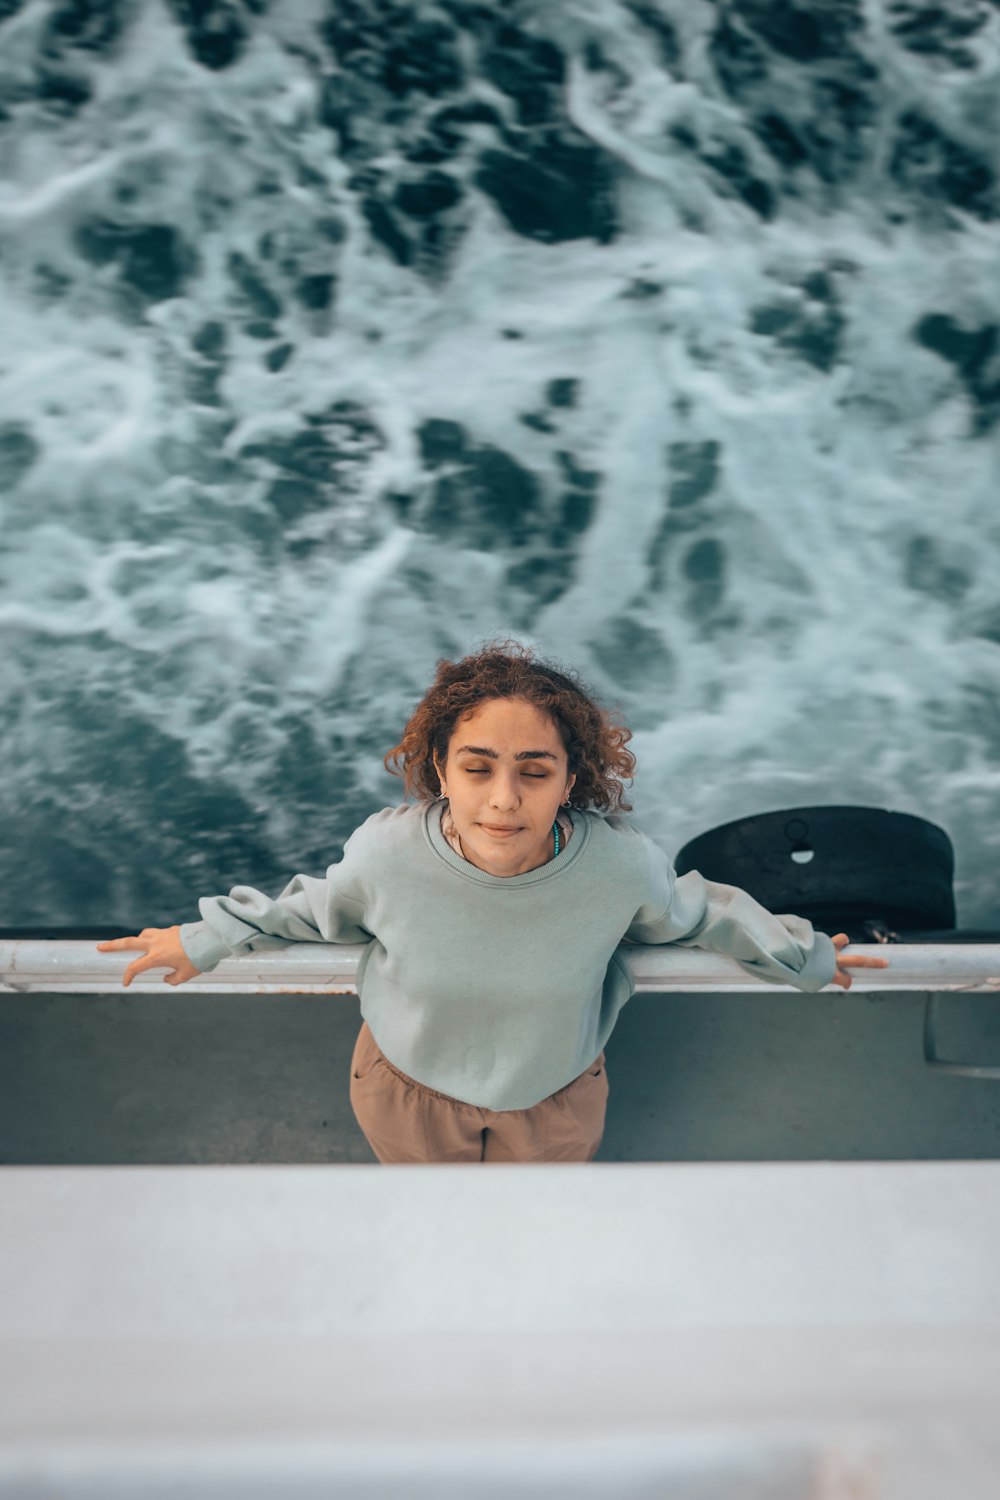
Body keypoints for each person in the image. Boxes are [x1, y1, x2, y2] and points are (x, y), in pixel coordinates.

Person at [97, 638, 890, 1164]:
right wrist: (199, 939)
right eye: (477, 768)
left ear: (571, 780)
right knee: (432, 1233)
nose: (504, 799)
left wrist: (806, 955)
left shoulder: (618, 868)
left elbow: (701, 910)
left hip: (556, 1100)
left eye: (535, 771)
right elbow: (307, 909)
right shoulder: (387, 854)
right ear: (438, 769)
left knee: (533, 1245)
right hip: (407, 1092)